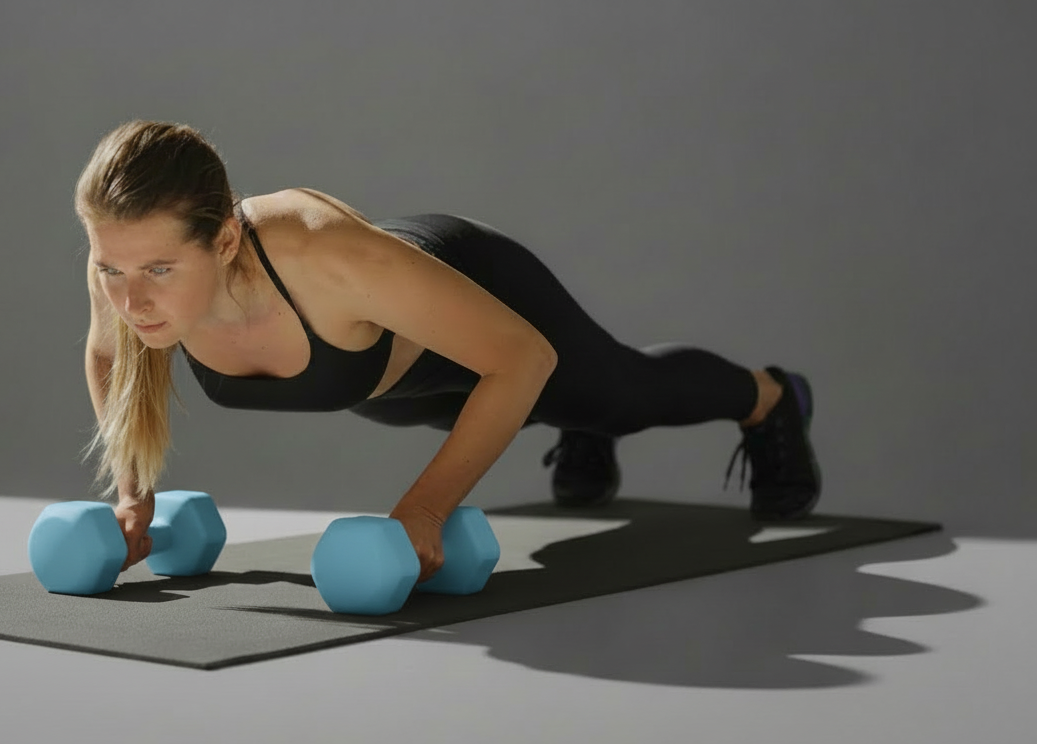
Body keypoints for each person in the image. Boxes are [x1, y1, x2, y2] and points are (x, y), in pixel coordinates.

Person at [76, 120, 821, 584]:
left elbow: (522, 358)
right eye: (112, 269)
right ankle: (574, 426)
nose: (131, 300)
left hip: (480, 300)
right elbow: (111, 357)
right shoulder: (124, 260)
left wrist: (425, 510)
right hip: (398, 389)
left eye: (160, 272)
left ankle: (773, 398)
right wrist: (133, 493)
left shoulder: (325, 255)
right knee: (458, 416)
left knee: (619, 397)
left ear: (227, 239)